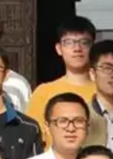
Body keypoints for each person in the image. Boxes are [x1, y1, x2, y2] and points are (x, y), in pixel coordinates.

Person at [25, 16, 98, 148]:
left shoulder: (104, 91)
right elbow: (32, 139)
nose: (77, 48)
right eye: (69, 42)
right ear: (59, 49)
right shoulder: (44, 92)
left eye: (84, 42)